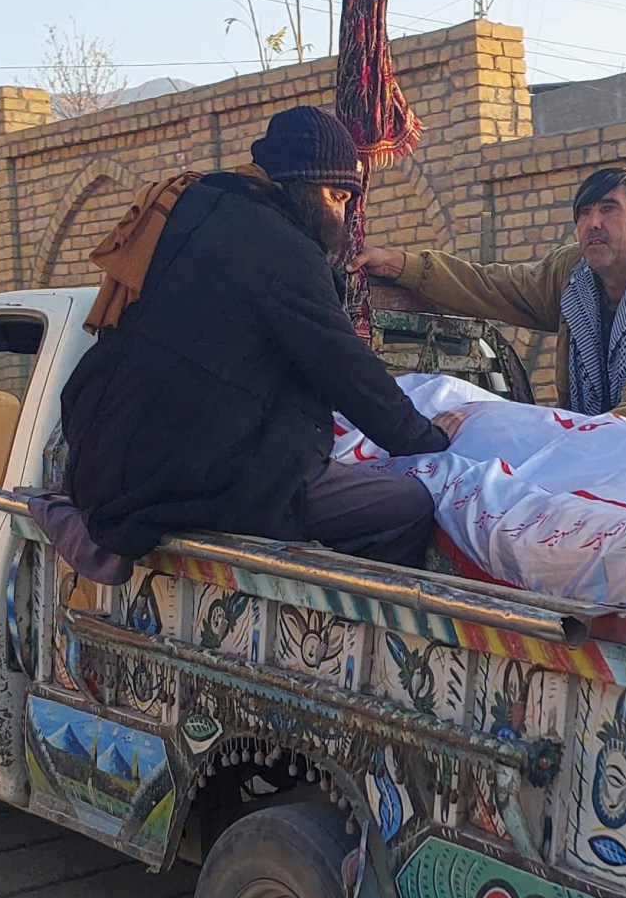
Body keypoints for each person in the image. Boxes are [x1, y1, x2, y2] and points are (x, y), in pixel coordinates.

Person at [42, 105, 460, 585]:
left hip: (108, 464)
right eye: (337, 196)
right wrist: (426, 438)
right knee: (403, 504)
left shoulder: (191, 210)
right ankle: (360, 635)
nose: (342, 215)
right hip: (195, 476)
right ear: (302, 185)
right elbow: (347, 370)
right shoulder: (281, 249)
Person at [355, 166, 626, 435]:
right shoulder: (573, 273)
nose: (593, 224)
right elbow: (493, 287)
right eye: (584, 213)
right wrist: (400, 265)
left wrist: (518, 426)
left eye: (608, 209)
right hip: (597, 452)